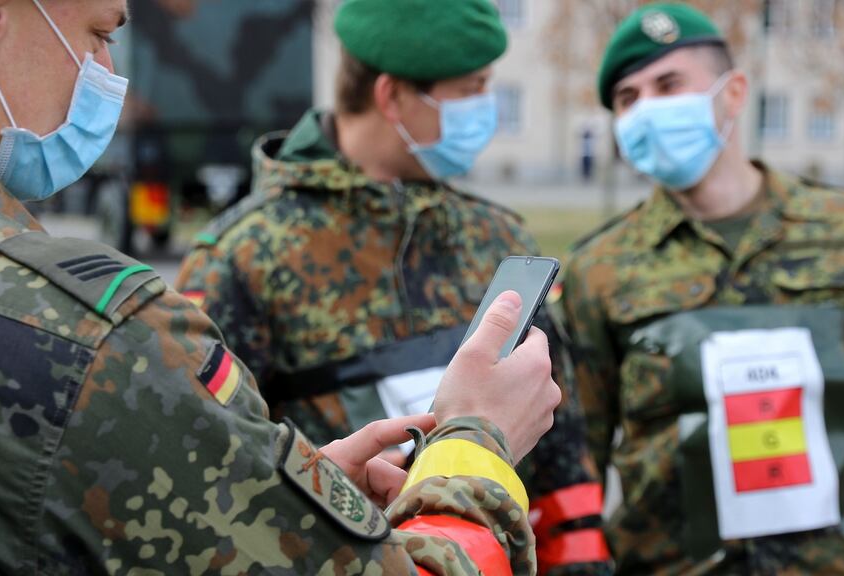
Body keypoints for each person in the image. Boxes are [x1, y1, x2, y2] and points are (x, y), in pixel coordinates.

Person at [0, 0, 564, 573]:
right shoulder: (113, 324)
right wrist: (476, 442)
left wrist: (297, 500)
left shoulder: (495, 231)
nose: (111, 75)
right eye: (97, 36)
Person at [174, 1, 612, 574]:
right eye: (471, 89)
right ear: (392, 97)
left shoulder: (494, 234)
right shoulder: (242, 256)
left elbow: (561, 446)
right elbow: (211, 480)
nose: (488, 109)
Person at [560, 3, 844, 575]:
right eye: (627, 99)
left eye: (668, 85)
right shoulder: (600, 269)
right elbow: (575, 453)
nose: (647, 110)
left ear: (733, 93)